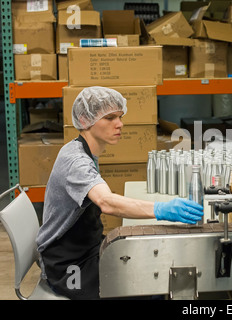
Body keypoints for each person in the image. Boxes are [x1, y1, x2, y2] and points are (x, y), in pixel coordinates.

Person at [35, 86, 203, 300]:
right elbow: (106, 202)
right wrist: (161, 209)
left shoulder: (84, 151)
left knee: (153, 267)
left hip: (89, 249)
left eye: (120, 116)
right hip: (68, 265)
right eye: (110, 118)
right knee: (149, 289)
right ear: (86, 120)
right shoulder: (76, 161)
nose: (120, 124)